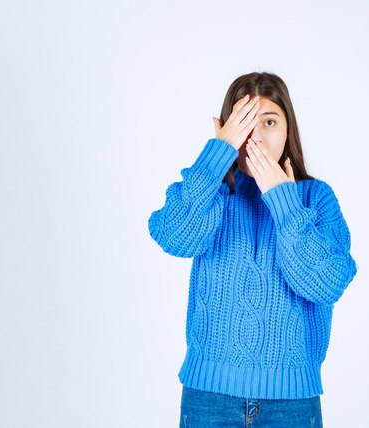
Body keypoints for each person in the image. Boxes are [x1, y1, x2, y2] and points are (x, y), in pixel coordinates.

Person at [147, 71, 358, 427]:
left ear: (288, 129)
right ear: (226, 130)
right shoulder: (213, 193)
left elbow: (327, 284)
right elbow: (173, 234)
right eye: (243, 123)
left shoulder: (315, 198)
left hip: (291, 403)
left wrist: (284, 201)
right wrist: (216, 156)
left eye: (270, 122)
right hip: (209, 398)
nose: (256, 137)